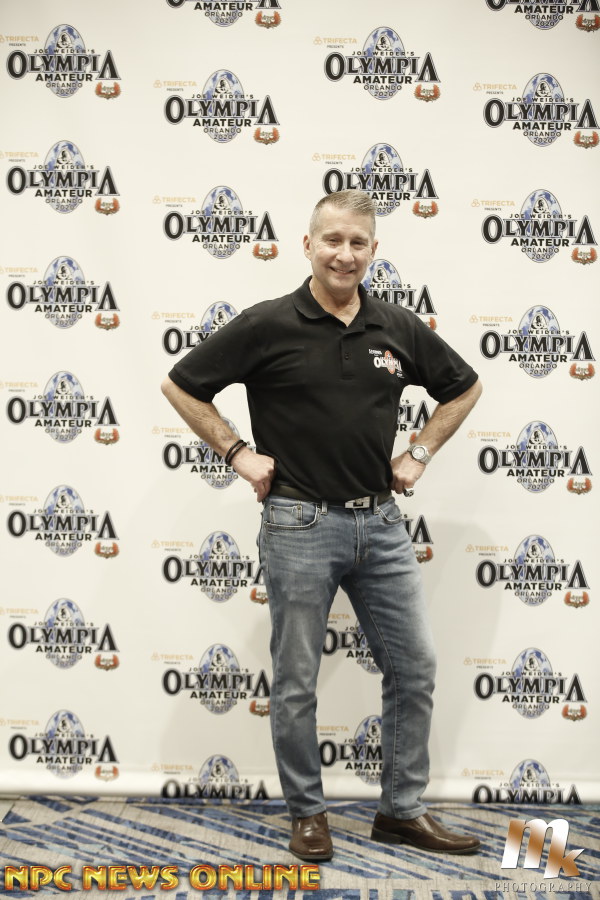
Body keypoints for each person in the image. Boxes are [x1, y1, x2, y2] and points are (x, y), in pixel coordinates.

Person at [162, 190, 482, 861]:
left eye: (358, 242)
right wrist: (236, 452)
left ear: (374, 250)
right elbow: (182, 385)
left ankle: (401, 811)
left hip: (381, 523)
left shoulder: (395, 325)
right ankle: (308, 814)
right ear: (307, 245)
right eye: (332, 240)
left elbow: (464, 386)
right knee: (297, 680)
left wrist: (419, 452)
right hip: (298, 523)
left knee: (414, 667)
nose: (345, 254)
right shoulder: (268, 323)